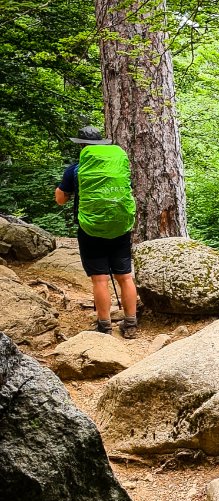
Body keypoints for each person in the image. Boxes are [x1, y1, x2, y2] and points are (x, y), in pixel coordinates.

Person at [55, 126, 139, 340]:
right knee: (125, 276)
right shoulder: (117, 167)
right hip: (120, 227)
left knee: (100, 279)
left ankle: (104, 326)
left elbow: (60, 199)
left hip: (90, 230)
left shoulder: (76, 170)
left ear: (81, 146)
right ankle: (130, 324)